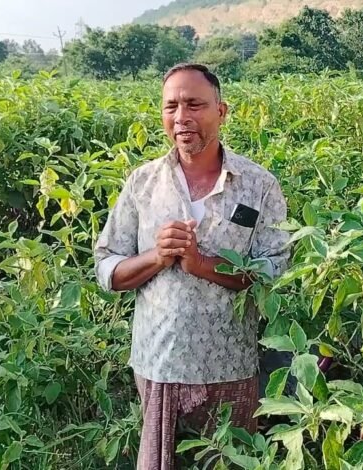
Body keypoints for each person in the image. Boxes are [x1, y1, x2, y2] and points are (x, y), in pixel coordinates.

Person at [93, 63, 291, 469]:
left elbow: (274, 271)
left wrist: (201, 264)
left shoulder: (258, 185)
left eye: (195, 105)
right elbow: (107, 268)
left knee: (232, 461)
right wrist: (157, 256)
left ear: (221, 111)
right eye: (171, 106)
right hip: (158, 364)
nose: (182, 117)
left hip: (231, 366)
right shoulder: (143, 183)